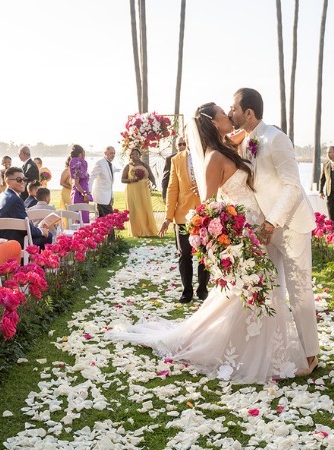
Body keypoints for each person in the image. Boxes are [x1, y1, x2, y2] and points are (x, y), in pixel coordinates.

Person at [108, 100, 312, 383]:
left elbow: (257, 135)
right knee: (253, 290)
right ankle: (242, 349)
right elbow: (209, 206)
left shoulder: (231, 142)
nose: (229, 114)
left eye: (231, 110)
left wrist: (270, 133)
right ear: (214, 122)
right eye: (223, 112)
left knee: (259, 290)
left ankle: (267, 349)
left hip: (258, 228)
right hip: (243, 232)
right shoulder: (214, 157)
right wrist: (224, 238)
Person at [229, 88, 319, 373]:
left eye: (234, 108)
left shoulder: (277, 139)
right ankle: (275, 349)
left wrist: (271, 223)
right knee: (270, 290)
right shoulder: (247, 141)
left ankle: (309, 355)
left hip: (291, 225)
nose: (231, 112)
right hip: (265, 228)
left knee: (300, 291)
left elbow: (293, 186)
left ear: (249, 113)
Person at [158, 135, 208, 303]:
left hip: (205, 213)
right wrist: (167, 217)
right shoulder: (176, 159)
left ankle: (202, 288)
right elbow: (172, 189)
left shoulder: (207, 155)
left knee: (204, 254)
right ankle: (187, 291)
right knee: (184, 253)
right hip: (182, 216)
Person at [0, 167, 51, 248]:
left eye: (24, 179)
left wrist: (38, 229)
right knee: (48, 236)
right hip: (14, 241)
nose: (23, 182)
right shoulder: (16, 200)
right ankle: (40, 260)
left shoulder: (2, 196)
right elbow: (26, 229)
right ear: (7, 182)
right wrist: (41, 231)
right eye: (19, 179)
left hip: (3, 238)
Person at [121, 148, 158, 237]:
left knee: (145, 209)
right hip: (132, 190)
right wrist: (132, 180)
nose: (135, 155)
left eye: (137, 154)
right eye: (133, 154)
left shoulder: (145, 165)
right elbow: (122, 179)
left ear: (140, 155)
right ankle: (136, 232)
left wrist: (154, 183)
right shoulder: (128, 166)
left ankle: (147, 230)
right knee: (133, 210)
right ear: (130, 156)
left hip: (143, 190)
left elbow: (151, 176)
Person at [89, 146, 117, 218]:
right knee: (110, 219)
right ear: (105, 153)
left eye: (114, 153)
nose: (113, 155)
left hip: (107, 198)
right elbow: (91, 177)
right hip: (101, 197)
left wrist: (112, 197)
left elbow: (109, 183)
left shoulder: (110, 164)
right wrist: (89, 192)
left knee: (103, 221)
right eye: (111, 153)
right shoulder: (100, 163)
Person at [68, 145, 91, 223]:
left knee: (84, 219)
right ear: (80, 154)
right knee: (81, 219)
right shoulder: (78, 163)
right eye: (84, 153)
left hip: (81, 194)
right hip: (79, 195)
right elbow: (76, 183)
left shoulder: (78, 163)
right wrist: (84, 194)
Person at [162, 137, 184, 202]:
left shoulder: (192, 158)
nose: (182, 146)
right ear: (176, 146)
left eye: (184, 144)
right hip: (174, 191)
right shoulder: (170, 159)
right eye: (180, 144)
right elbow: (165, 178)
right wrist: (164, 196)